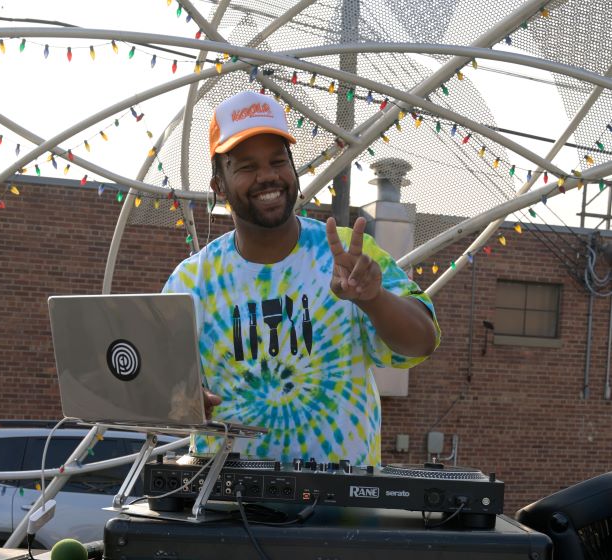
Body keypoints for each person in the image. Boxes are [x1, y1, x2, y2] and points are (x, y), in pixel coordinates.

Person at [163, 91, 439, 466]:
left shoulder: (349, 254)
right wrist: (183, 404)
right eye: (245, 167)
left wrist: (373, 298)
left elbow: (423, 341)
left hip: (340, 511)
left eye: (278, 161)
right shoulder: (191, 281)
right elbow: (162, 396)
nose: (267, 176)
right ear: (219, 186)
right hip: (224, 506)